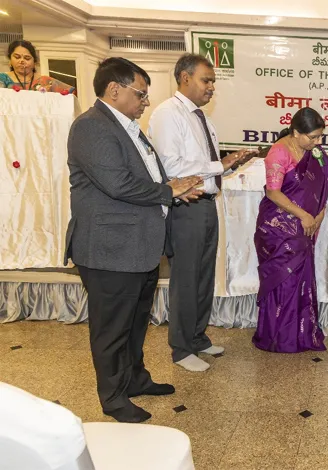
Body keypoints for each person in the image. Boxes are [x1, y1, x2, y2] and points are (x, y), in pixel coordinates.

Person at [65, 57, 202, 423]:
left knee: (135, 322)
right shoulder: (92, 126)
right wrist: (168, 191)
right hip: (110, 249)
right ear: (114, 89)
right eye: (140, 94)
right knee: (111, 330)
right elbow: (118, 184)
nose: (146, 101)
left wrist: (173, 190)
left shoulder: (128, 127)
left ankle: (135, 378)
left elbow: (146, 177)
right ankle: (113, 398)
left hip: (139, 246)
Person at [149, 53, 253, 372]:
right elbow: (172, 166)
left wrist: (230, 164)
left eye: (213, 82)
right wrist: (221, 164)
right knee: (186, 278)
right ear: (185, 78)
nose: (211, 87)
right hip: (185, 206)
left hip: (206, 204)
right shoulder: (168, 114)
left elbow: (205, 167)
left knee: (204, 277)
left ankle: (197, 338)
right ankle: (181, 349)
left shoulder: (202, 118)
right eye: (206, 80)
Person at [252, 107, 328, 353]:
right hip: (278, 227)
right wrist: (304, 215)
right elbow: (273, 192)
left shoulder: (314, 152)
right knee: (285, 280)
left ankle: (301, 335)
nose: (318, 142)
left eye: (320, 136)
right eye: (313, 137)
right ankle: (279, 337)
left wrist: (320, 213)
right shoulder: (279, 152)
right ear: (296, 132)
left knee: (301, 280)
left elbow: (325, 183)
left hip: (305, 225)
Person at [0, 40, 75, 94]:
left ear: (34, 63)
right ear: (10, 60)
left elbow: (71, 93)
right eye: (17, 57)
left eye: (27, 58)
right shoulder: (2, 78)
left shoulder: (45, 81)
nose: (21, 61)